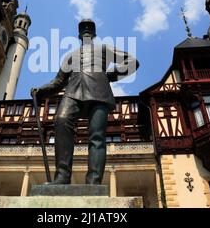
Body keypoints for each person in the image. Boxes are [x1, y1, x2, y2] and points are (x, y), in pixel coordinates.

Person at [31, 19, 139, 185]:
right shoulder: (70, 56)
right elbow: (58, 82)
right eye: (83, 29)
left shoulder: (104, 48)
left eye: (90, 29)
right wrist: (42, 90)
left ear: (94, 34)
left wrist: (109, 76)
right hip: (72, 92)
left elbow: (132, 62)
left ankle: (94, 182)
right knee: (61, 120)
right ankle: (62, 177)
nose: (86, 31)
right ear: (79, 35)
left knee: (97, 136)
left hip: (99, 93)